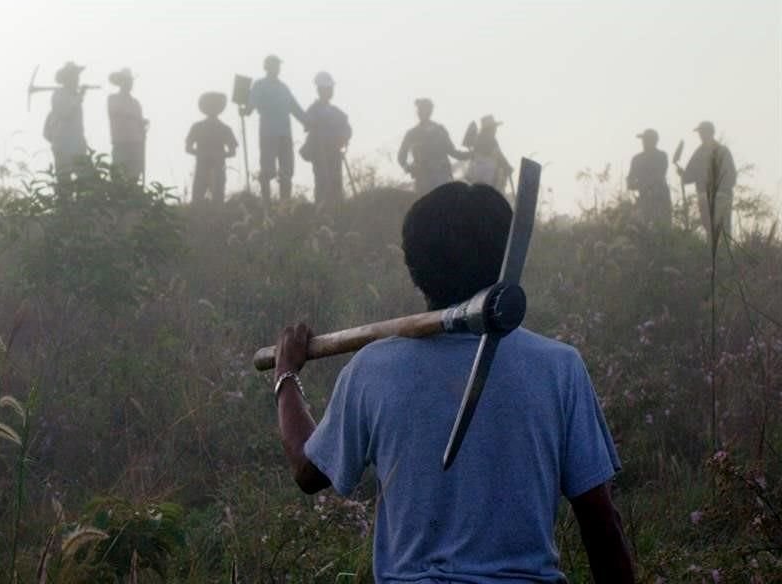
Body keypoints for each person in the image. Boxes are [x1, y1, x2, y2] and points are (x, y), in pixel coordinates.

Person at [271, 182, 635, 583]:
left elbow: (307, 470)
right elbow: (602, 527)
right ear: (506, 259)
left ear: (414, 267)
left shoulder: (373, 370)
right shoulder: (559, 367)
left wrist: (286, 376)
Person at [241, 55, 307, 205]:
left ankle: (285, 205)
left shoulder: (283, 88)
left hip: (285, 134)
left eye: (278, 65)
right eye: (273, 65)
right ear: (266, 67)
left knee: (287, 172)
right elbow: (251, 105)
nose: (276, 68)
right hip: (268, 133)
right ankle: (266, 204)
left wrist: (308, 122)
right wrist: (245, 110)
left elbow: (295, 107)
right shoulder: (259, 85)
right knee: (267, 170)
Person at [301, 71, 352, 212]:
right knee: (322, 184)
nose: (330, 91)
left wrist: (343, 137)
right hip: (320, 153)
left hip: (334, 153)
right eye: (327, 89)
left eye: (330, 89)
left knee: (336, 185)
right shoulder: (313, 110)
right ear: (319, 90)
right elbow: (306, 124)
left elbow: (347, 128)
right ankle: (322, 215)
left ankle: (338, 213)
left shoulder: (336, 112)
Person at [397, 99, 469, 194]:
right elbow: (401, 157)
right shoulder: (412, 133)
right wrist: (410, 168)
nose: (422, 113)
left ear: (430, 111)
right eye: (420, 110)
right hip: (423, 178)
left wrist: (471, 154)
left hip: (441, 175)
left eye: (425, 110)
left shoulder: (440, 130)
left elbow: (453, 152)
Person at [681, 121, 736, 240]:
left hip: (720, 196)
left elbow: (731, 176)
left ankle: (724, 256)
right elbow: (688, 176)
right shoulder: (700, 152)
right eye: (700, 132)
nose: (701, 135)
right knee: (711, 230)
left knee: (723, 230)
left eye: (703, 132)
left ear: (710, 132)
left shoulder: (721, 151)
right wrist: (683, 175)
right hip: (706, 197)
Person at [185, 92, 238, 207]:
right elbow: (188, 148)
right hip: (203, 167)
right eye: (211, 106)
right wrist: (204, 154)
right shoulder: (199, 127)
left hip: (217, 167)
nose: (213, 109)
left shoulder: (224, 128)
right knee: (198, 200)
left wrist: (218, 155)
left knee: (217, 200)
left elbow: (233, 151)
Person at [44, 61, 89, 185]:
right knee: (65, 183)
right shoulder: (59, 95)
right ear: (67, 78)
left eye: (77, 76)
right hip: (63, 145)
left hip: (77, 144)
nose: (77, 79)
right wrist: (79, 97)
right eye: (74, 76)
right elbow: (66, 113)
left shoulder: (74, 95)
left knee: (85, 182)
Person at [107, 68, 147, 183]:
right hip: (120, 143)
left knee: (134, 175)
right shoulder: (113, 99)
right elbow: (117, 112)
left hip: (136, 143)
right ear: (120, 83)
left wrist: (142, 124)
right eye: (126, 81)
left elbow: (139, 122)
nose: (129, 84)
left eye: (130, 81)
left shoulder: (135, 103)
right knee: (118, 176)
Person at [626, 128, 672, 228]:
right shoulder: (637, 159)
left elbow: (660, 175)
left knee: (663, 227)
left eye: (646, 139)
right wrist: (633, 184)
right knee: (644, 227)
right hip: (644, 199)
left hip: (660, 197)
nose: (644, 142)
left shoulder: (661, 156)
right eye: (644, 140)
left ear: (654, 141)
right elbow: (630, 179)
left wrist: (641, 184)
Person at [465, 114, 513, 195]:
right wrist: (507, 167)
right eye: (494, 127)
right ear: (490, 128)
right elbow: (498, 155)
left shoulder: (478, 139)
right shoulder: (490, 139)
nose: (495, 130)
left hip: (477, 175)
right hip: (487, 175)